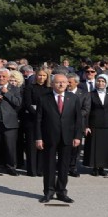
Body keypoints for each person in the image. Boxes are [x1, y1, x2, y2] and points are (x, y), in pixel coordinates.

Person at [35, 73, 82, 203]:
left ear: (68, 84)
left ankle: (61, 192)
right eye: (58, 82)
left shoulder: (73, 98)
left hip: (67, 137)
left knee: (64, 166)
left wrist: (78, 136)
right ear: (52, 84)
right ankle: (49, 192)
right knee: (49, 166)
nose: (61, 84)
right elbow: (38, 120)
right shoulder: (44, 98)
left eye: (63, 82)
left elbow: (78, 119)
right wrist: (38, 138)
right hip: (49, 137)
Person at [0, 68, 22, 176]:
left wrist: (7, 93)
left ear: (8, 78)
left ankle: (11, 167)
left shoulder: (15, 89)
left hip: (9, 122)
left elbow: (18, 103)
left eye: (3, 76)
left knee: (10, 146)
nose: (1, 78)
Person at [83, 74, 108, 176]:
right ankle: (94, 167)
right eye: (99, 81)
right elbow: (87, 111)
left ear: (106, 83)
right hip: (94, 124)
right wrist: (86, 126)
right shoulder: (90, 94)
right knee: (94, 147)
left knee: (106, 147)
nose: (100, 83)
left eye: (103, 81)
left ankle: (103, 167)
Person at [21, 67, 50, 176]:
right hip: (32, 120)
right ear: (35, 75)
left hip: (45, 121)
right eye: (39, 75)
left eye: (44, 75)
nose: (41, 77)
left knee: (43, 145)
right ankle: (32, 170)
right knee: (31, 145)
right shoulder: (30, 87)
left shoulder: (50, 89)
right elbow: (28, 104)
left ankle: (40, 169)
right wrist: (38, 114)